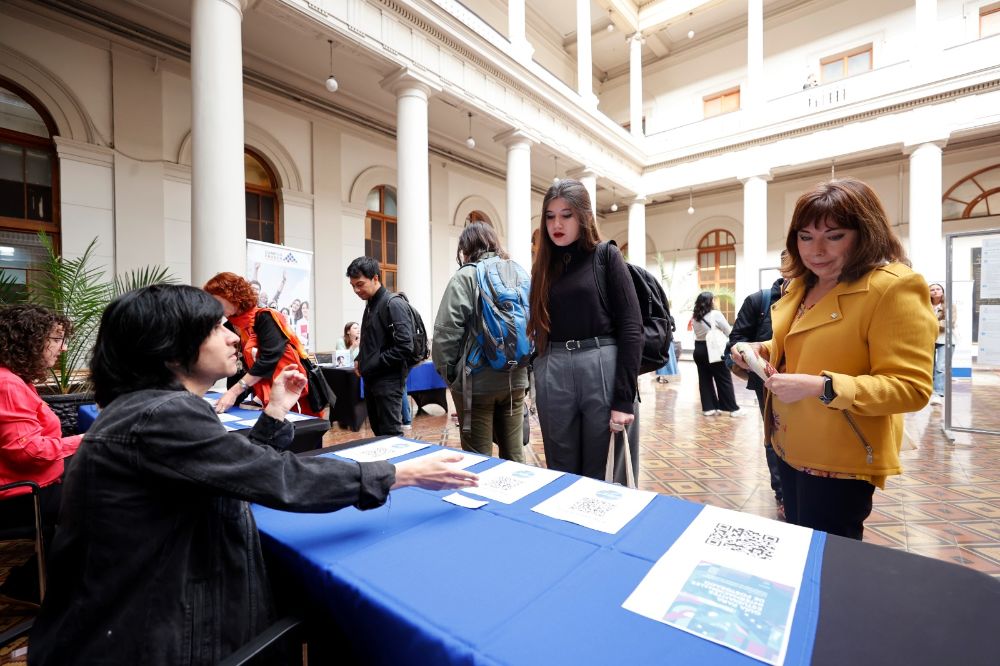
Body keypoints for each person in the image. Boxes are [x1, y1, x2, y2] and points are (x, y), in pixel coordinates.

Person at [28, 284, 477, 665]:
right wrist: (402, 473)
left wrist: (277, 409)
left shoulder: (148, 409)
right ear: (171, 350)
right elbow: (277, 478)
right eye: (218, 328)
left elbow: (227, 466)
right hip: (156, 638)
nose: (232, 339)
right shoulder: (162, 415)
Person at [732, 178, 937, 540]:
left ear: (865, 232)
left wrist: (821, 386)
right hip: (786, 439)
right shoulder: (801, 283)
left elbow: (910, 387)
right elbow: (795, 341)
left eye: (834, 235)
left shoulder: (892, 287)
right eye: (805, 237)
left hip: (839, 452)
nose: (817, 250)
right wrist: (763, 350)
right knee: (797, 544)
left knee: (828, 559)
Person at [528, 179, 642, 483]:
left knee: (600, 471)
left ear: (584, 216)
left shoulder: (606, 256)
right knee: (560, 468)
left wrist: (623, 399)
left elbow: (632, 327)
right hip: (553, 367)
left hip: (600, 364)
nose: (557, 224)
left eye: (566, 215)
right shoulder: (544, 266)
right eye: (550, 216)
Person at [0, 305, 82, 603]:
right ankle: (32, 585)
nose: (63, 348)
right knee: (102, 498)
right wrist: (85, 441)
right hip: (20, 496)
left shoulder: (16, 379)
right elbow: (28, 452)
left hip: (28, 483)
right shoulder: (8, 383)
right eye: (57, 338)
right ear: (30, 340)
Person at [433, 221, 530, 462]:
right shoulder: (518, 272)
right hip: (515, 378)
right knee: (515, 454)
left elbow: (446, 331)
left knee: (479, 459)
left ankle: (485, 500)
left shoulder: (466, 276)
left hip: (475, 382)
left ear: (465, 249)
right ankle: (518, 497)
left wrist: (451, 376)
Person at [203, 272, 316, 415]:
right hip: (262, 395)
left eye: (217, 302)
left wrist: (234, 392)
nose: (215, 308)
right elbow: (229, 361)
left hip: (291, 389)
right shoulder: (231, 326)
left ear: (232, 296)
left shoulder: (265, 317)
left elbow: (269, 359)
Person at [729, 277, 787, 515]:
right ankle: (783, 494)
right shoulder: (760, 301)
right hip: (768, 384)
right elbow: (737, 340)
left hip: (811, 383)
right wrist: (749, 353)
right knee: (774, 434)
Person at [346, 256, 414, 436]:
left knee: (391, 436)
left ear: (375, 278)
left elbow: (406, 346)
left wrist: (374, 362)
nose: (356, 290)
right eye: (353, 286)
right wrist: (361, 359)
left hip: (389, 382)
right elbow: (372, 340)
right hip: (372, 380)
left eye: (360, 284)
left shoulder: (393, 303)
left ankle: (401, 466)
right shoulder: (370, 305)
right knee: (379, 434)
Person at [691, 292, 742, 417]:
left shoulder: (695, 317)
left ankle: (709, 408)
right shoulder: (715, 314)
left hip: (699, 349)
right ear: (711, 301)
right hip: (714, 349)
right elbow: (728, 331)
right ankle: (732, 409)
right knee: (723, 378)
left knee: (704, 379)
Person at [928, 283, 953, 404]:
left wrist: (930, 323)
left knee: (940, 368)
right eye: (932, 289)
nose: (935, 291)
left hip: (946, 339)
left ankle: (937, 393)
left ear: (942, 291)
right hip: (929, 339)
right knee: (929, 367)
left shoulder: (949, 306)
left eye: (938, 289)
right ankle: (929, 391)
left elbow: (948, 323)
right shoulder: (925, 305)